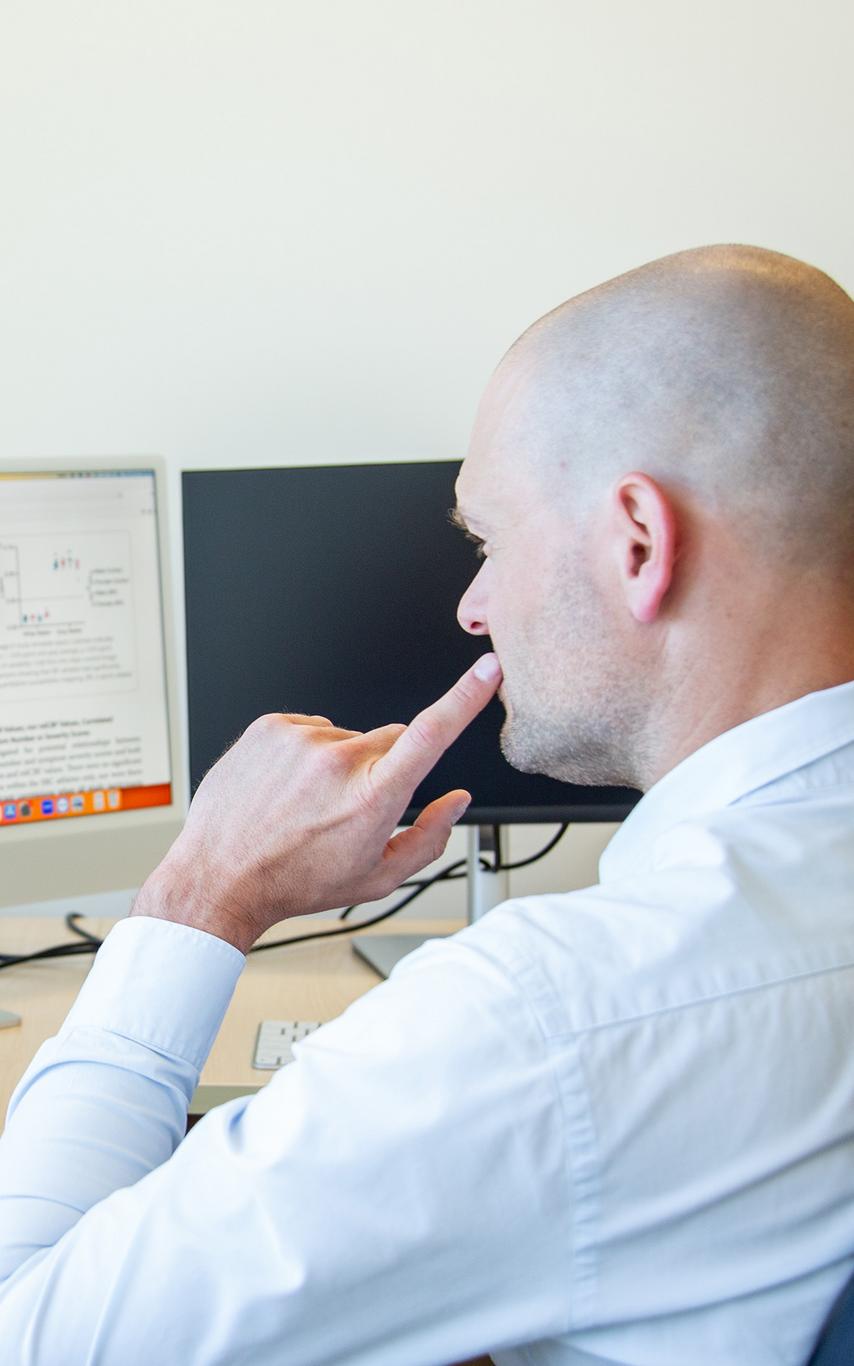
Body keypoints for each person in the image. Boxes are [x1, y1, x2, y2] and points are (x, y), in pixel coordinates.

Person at [1, 243, 853, 1366]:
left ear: (635, 541)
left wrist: (198, 892)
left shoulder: (545, 1024)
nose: (470, 604)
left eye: (487, 540)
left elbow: (33, 1338)